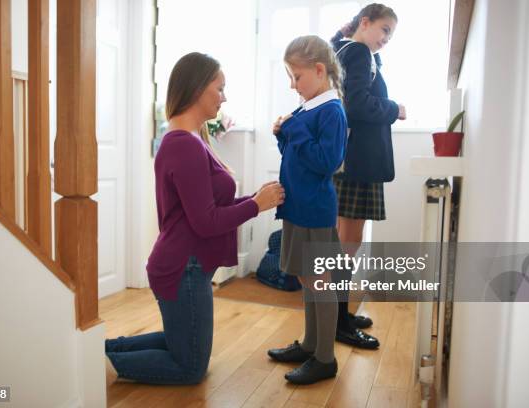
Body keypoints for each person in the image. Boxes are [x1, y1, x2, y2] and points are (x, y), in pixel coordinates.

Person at [105, 52, 285, 385]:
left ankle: (100, 351)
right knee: (190, 367)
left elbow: (208, 207)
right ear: (198, 88)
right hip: (182, 267)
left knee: (181, 345)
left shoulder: (188, 140)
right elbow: (206, 222)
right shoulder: (183, 145)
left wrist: (255, 199)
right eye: (220, 88)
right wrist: (256, 205)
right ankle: (102, 367)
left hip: (185, 263)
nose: (224, 96)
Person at [266, 35, 347, 385]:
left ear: (318, 70)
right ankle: (312, 343)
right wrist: (283, 135)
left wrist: (295, 129)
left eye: (296, 77)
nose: (292, 85)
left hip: (315, 209)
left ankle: (325, 358)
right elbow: (298, 152)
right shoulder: (309, 107)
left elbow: (327, 161)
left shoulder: (332, 110)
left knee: (319, 282)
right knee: (304, 276)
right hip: (298, 206)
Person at [330, 3, 406, 349]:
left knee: (345, 242)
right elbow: (356, 104)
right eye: (385, 29)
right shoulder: (359, 52)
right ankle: (339, 321)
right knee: (347, 244)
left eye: (391, 33)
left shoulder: (350, 50)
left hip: (355, 160)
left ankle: (339, 314)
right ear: (365, 22)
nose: (387, 38)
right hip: (357, 161)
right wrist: (395, 109)